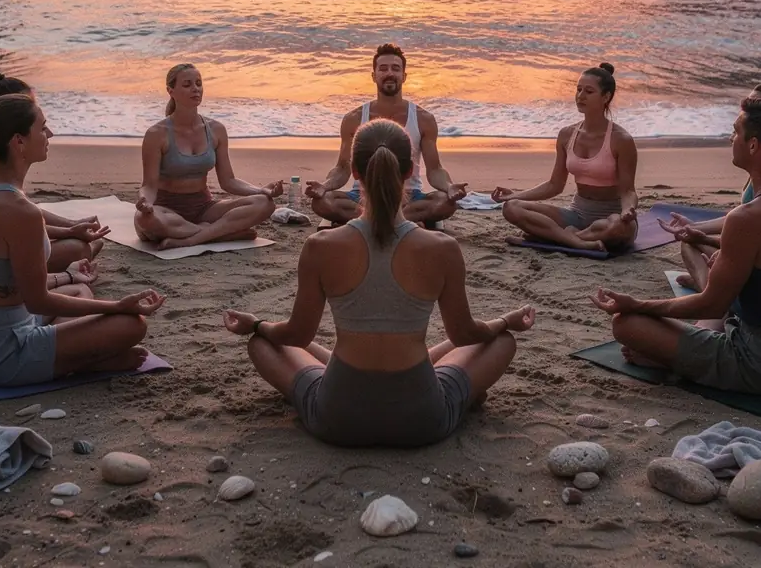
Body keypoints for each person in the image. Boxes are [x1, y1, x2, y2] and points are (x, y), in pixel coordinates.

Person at [223, 117, 535, 446]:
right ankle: (450, 388)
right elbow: (464, 334)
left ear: (356, 174)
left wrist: (257, 326)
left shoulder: (321, 245)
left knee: (264, 342)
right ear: (407, 173)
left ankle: (332, 365)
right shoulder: (442, 247)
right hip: (422, 419)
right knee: (501, 341)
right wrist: (504, 321)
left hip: (338, 417)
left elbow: (298, 334)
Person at [590, 97, 761, 395]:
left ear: (754, 145)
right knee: (716, 303)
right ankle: (686, 353)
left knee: (626, 324)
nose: (730, 138)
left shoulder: (746, 217)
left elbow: (712, 304)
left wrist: (637, 305)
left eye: (735, 131)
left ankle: (673, 363)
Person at [0, 94, 165, 386]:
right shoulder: (19, 210)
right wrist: (118, 306)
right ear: (18, 141)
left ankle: (79, 354)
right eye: (42, 127)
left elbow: (6, 282)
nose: (49, 134)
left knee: (79, 290)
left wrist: (67, 275)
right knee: (132, 325)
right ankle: (86, 363)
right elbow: (37, 301)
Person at [0, 71, 108, 289]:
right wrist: (71, 230)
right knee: (80, 249)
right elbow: (17, 217)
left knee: (84, 243)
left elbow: (17, 216)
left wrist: (72, 227)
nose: (48, 132)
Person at [661, 79, 761, 287]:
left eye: (754, 105)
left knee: (691, 245)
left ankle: (708, 292)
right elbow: (745, 217)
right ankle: (708, 285)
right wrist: (695, 226)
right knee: (693, 241)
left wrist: (703, 237)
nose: (746, 111)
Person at [305, 43, 467, 230]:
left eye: (395, 69)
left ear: (404, 76)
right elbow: (342, 168)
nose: (389, 73)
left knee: (445, 203)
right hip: (363, 196)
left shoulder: (424, 119)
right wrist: (324, 187)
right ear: (374, 76)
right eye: (383, 68)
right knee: (322, 202)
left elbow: (435, 169)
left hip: (408, 197)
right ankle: (402, 222)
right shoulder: (354, 118)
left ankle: (370, 220)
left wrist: (449, 188)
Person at [490, 63, 638, 251]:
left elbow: (628, 191)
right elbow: (554, 185)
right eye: (578, 89)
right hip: (577, 214)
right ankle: (576, 241)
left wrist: (628, 210)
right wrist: (514, 195)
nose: (580, 96)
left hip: (611, 216)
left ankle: (558, 237)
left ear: (606, 97)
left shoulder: (621, 139)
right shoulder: (566, 135)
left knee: (618, 228)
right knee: (512, 207)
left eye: (589, 91)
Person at [134, 63, 280, 249]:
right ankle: (220, 234)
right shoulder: (157, 134)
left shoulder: (216, 130)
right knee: (145, 221)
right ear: (171, 91)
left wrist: (261, 191)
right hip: (166, 209)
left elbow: (229, 181)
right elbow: (149, 185)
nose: (195, 89)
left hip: (204, 208)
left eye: (198, 83)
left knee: (264, 204)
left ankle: (192, 239)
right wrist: (145, 201)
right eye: (187, 85)